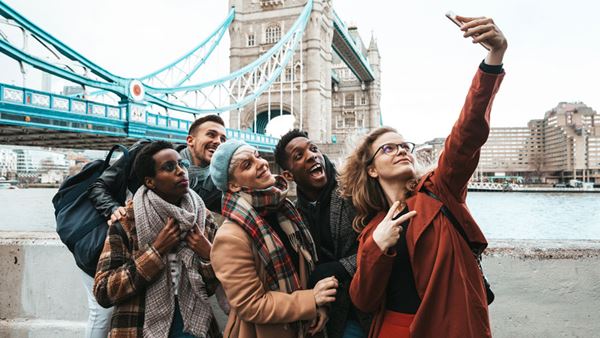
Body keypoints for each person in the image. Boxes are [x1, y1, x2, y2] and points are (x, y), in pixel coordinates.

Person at [338, 15, 507, 338]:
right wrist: (377, 247)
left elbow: (467, 135)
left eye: (404, 145)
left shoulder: (441, 190)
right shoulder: (372, 227)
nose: (401, 150)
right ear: (371, 169)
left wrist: (492, 61)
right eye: (388, 149)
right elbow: (363, 299)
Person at [82, 115, 226, 337]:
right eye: (170, 167)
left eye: (181, 165)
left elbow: (208, 287)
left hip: (194, 325)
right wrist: (156, 251)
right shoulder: (127, 222)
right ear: (149, 181)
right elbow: (104, 292)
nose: (180, 171)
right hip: (138, 325)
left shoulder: (201, 217)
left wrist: (208, 254)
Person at [209, 139, 338, 337]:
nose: (261, 163)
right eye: (247, 165)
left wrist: (318, 307)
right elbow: (251, 305)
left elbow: (305, 273)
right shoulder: (230, 238)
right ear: (233, 185)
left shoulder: (284, 211)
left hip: (306, 328)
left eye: (257, 156)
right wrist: (311, 300)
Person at [274, 130, 369, 338]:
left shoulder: (354, 191)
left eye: (313, 148)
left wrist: (336, 269)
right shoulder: (294, 214)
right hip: (336, 314)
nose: (311, 155)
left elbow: (377, 246)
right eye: (299, 156)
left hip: (371, 304)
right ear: (288, 175)